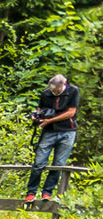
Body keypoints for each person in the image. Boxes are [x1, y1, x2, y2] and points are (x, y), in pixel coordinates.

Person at [25, 73, 80, 202]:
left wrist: (49, 120)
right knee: (38, 162)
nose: (55, 92)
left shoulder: (73, 91)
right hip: (49, 132)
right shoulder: (45, 94)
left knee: (59, 164)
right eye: (52, 90)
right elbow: (41, 108)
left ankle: (47, 192)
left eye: (57, 90)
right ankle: (31, 192)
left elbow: (71, 112)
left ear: (64, 85)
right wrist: (36, 115)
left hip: (68, 131)